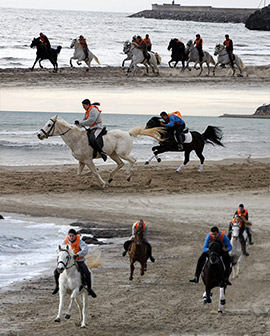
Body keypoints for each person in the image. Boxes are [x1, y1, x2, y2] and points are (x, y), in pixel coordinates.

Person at [52, 229, 97, 298]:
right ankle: (57, 286)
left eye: (73, 236)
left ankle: (89, 289)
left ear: (75, 236)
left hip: (79, 260)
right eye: (70, 236)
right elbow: (60, 249)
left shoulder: (80, 242)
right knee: (56, 272)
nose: (71, 237)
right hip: (68, 262)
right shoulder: (66, 241)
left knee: (87, 272)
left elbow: (85, 249)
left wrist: (78, 255)